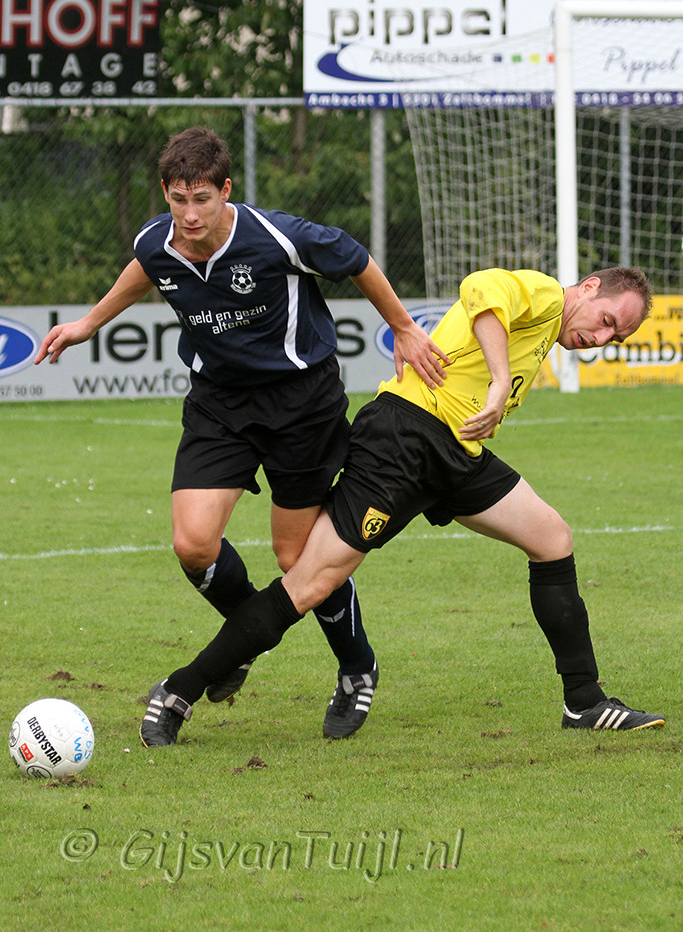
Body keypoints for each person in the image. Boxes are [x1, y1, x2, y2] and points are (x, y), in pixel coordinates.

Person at [34, 125, 449, 743]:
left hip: (301, 404)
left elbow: (355, 257)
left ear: (226, 190)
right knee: (193, 545)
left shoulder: (277, 236)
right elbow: (145, 269)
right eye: (179, 199)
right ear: (166, 194)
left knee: (297, 559)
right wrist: (89, 323)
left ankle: (357, 667)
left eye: (202, 199)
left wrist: (405, 327)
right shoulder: (158, 242)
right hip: (219, 405)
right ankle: (246, 634)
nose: (190, 214)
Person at [140, 265, 666, 746]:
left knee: (552, 538)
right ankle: (181, 689)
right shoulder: (548, 294)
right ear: (590, 288)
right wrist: (501, 379)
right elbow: (482, 288)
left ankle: (584, 702)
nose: (600, 339)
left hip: (457, 452)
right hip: (405, 441)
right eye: (605, 322)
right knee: (308, 581)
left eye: (614, 338)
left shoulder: (549, 325)